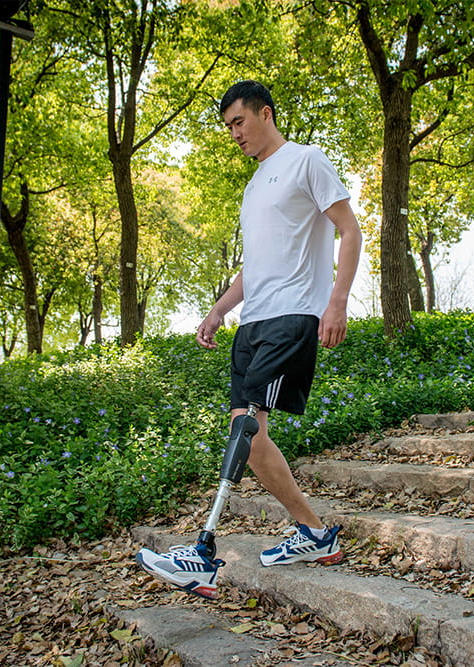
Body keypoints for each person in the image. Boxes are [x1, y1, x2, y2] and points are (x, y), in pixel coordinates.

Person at [136, 80, 362, 599]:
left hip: (292, 316)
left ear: (265, 113)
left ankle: (203, 553)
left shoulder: (307, 161)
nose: (234, 133)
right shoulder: (255, 183)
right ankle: (315, 534)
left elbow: (350, 232)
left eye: (239, 122)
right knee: (250, 439)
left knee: (244, 435)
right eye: (228, 127)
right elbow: (254, 267)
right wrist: (219, 310)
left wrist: (338, 300)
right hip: (254, 322)